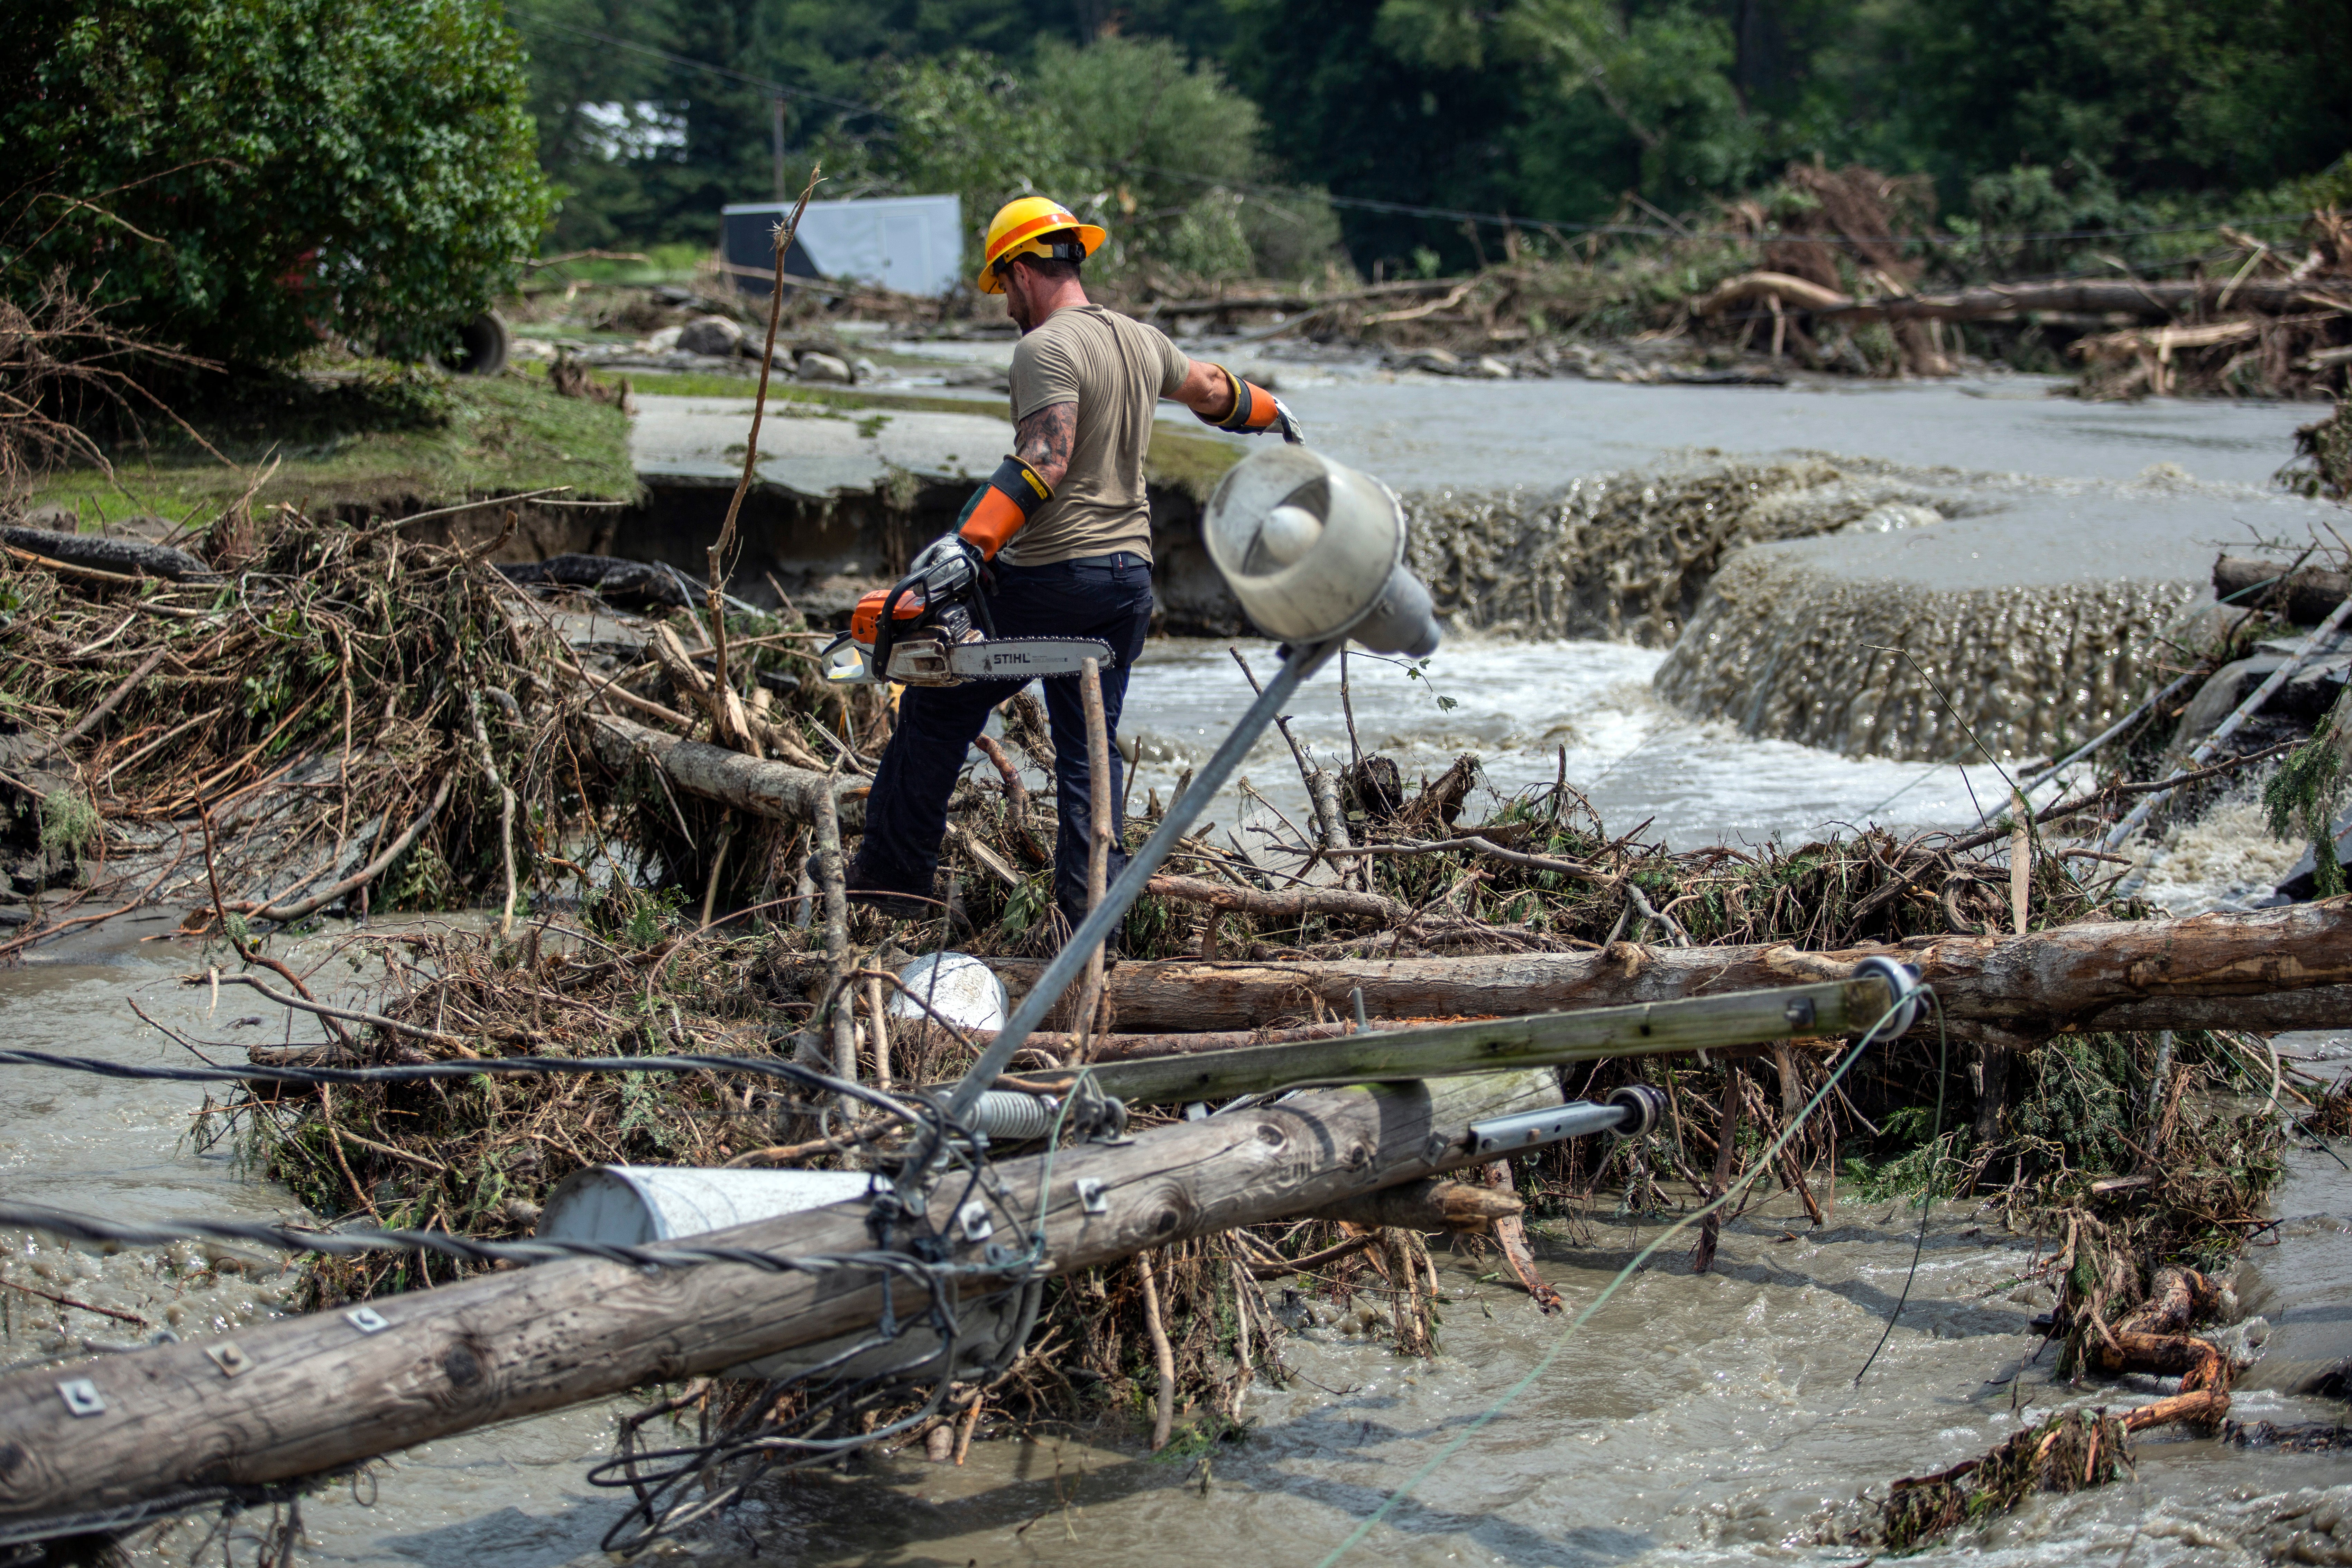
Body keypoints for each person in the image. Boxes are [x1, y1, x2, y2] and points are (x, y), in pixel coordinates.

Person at [845, 195, 1299, 937]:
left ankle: (890, 887)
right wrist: (1270, 409)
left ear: (1021, 271)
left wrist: (969, 545)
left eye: (1003, 287)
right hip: (1127, 585)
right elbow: (1213, 391)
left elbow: (1044, 459)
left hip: (1051, 579)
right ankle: (1091, 930)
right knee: (1090, 751)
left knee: (935, 708)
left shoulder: (1044, 348)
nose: (1005, 307)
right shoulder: (1141, 340)